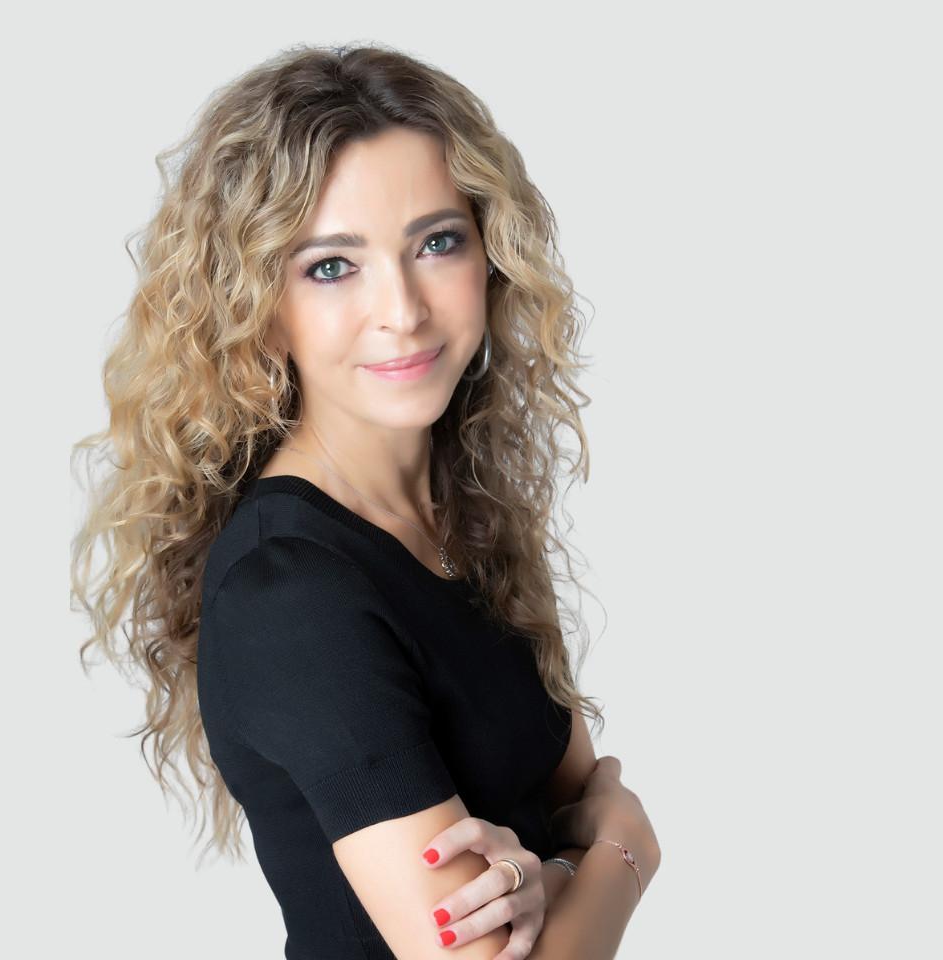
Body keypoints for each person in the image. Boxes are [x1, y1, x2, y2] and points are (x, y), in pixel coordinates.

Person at [72, 43, 660, 958]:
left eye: (437, 242)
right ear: (258, 304)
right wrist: (626, 857)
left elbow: (571, 799)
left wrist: (556, 868)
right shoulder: (289, 590)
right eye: (331, 266)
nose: (403, 310)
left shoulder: (468, 515)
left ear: (492, 256)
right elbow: (602, 823)